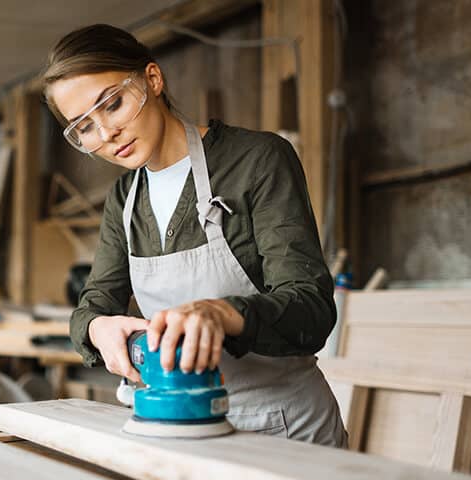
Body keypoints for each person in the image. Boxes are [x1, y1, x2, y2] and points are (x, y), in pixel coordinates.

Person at [42, 24, 347, 447]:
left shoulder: (256, 161)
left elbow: (312, 310)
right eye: (85, 127)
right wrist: (97, 329)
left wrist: (219, 313)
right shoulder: (124, 198)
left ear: (152, 79)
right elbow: (93, 305)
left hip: (278, 425)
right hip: (175, 428)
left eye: (111, 104)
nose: (106, 134)